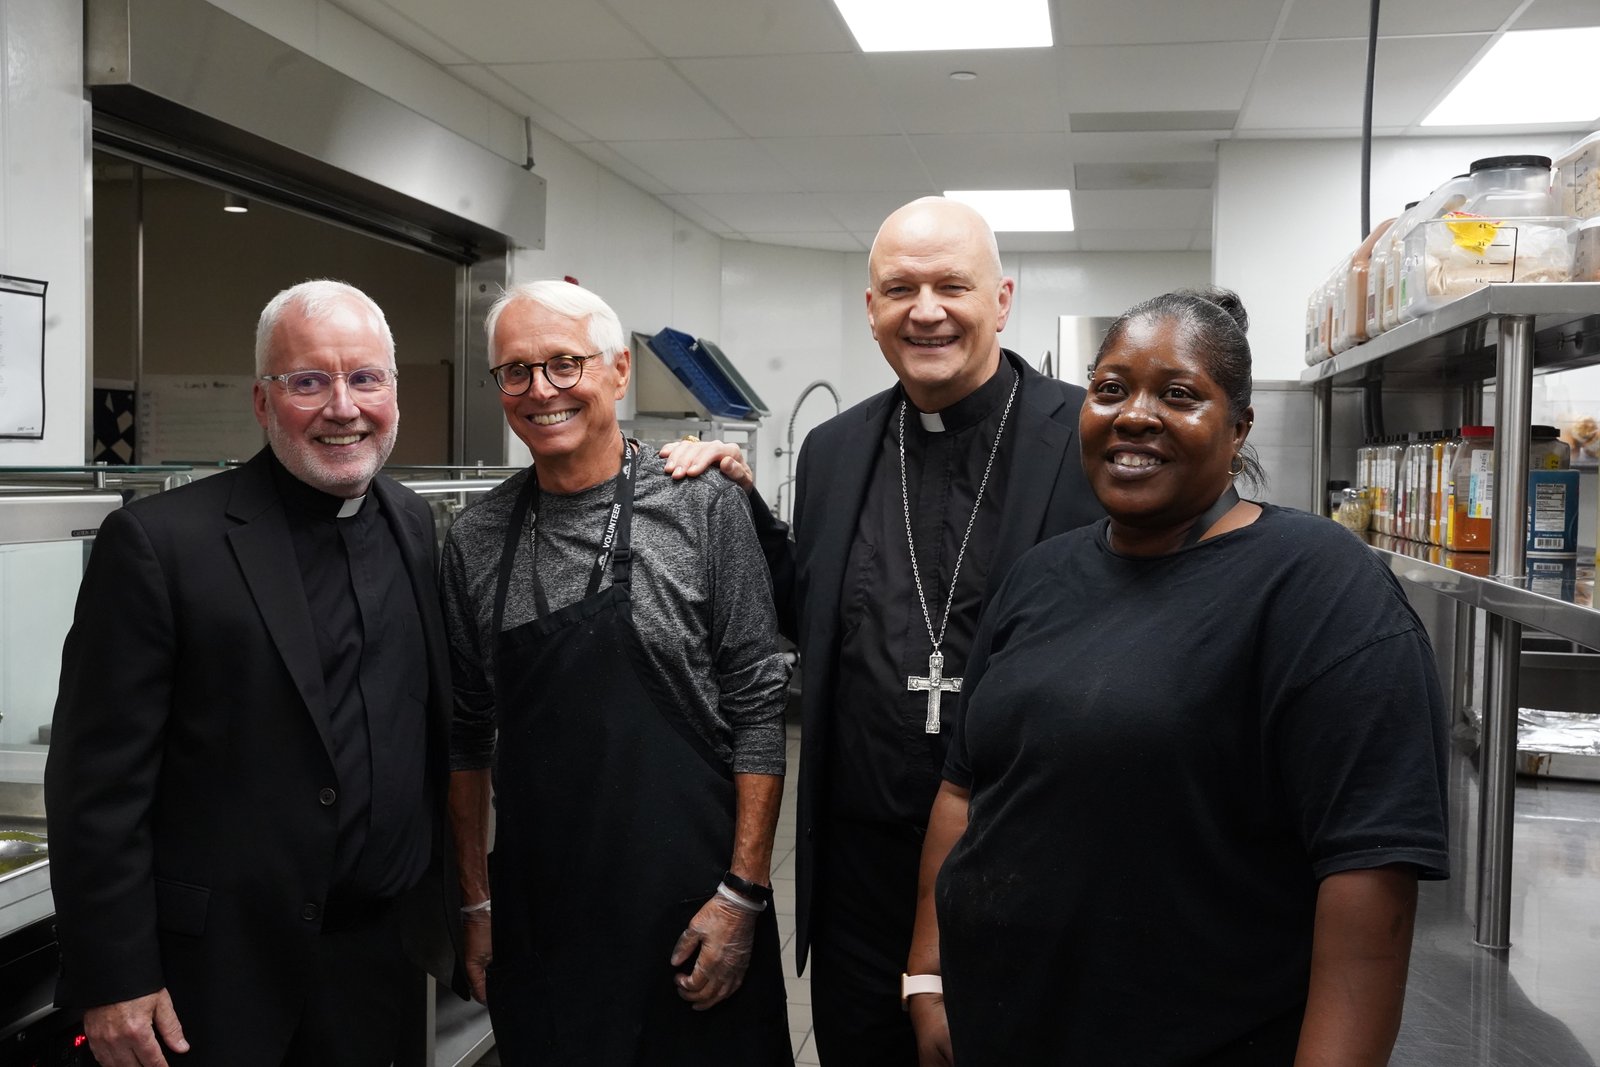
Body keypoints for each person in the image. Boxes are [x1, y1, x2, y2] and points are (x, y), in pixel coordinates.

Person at [906, 287, 1451, 1065]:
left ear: (1239, 428)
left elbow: (1369, 880)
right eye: (1111, 388)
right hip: (1001, 1030)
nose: (1133, 414)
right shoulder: (1039, 575)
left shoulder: (1320, 588)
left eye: (1179, 394)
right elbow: (964, 787)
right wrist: (926, 975)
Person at [663, 196, 1104, 1063]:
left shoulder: (1086, 436)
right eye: (900, 288)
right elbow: (809, 610)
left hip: (1023, 868)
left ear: (1003, 298)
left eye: (952, 285)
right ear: (871, 310)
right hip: (859, 880)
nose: (926, 309)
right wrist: (741, 506)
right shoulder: (834, 449)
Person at [46, 280, 461, 1067]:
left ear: (393, 394)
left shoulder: (415, 524)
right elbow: (96, 784)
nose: (343, 406)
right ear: (263, 402)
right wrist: (114, 973)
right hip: (212, 983)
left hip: (380, 966)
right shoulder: (159, 544)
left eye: (365, 378)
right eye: (308, 381)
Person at [442, 280, 791, 1065]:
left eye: (566, 364)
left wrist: (741, 895)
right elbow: (466, 737)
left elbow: (757, 705)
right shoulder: (475, 538)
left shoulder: (701, 503)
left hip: (690, 909)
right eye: (516, 371)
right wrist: (474, 902)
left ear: (619, 370)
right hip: (544, 915)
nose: (542, 390)